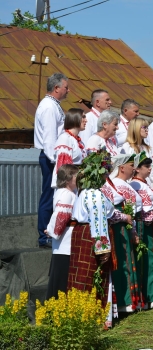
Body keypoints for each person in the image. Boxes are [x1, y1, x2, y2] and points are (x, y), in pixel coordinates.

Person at [68, 149, 131, 328]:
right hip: (92, 236)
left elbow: (109, 214)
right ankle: (94, 318)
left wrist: (123, 217)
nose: (107, 175)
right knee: (91, 276)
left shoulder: (85, 191)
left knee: (80, 275)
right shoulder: (95, 194)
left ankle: (78, 315)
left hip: (82, 235)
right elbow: (99, 220)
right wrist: (103, 248)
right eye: (106, 171)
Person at [103, 153, 143, 313]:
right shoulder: (108, 185)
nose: (134, 168)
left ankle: (127, 302)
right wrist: (125, 217)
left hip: (122, 225)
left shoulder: (110, 183)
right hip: (116, 227)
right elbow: (109, 211)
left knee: (125, 261)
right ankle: (122, 302)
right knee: (120, 262)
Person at [34, 72, 69, 248]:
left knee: (53, 195)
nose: (68, 91)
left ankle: (50, 231)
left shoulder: (53, 105)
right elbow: (49, 139)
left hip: (54, 158)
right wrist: (57, 161)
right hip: (51, 158)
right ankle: (44, 235)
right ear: (56, 88)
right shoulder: (48, 107)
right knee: (49, 196)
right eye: (65, 87)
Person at [129, 152, 153, 308]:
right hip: (143, 225)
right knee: (145, 259)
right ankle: (146, 297)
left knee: (150, 258)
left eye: (150, 166)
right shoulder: (136, 184)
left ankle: (151, 295)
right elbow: (141, 209)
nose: (149, 169)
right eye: (146, 166)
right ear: (137, 169)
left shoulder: (144, 183)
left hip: (150, 224)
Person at [45, 164, 78, 300]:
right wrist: (53, 231)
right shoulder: (66, 194)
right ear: (68, 178)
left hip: (64, 240)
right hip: (65, 240)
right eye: (76, 177)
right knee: (62, 275)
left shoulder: (65, 193)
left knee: (61, 274)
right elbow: (61, 215)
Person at [51, 108, 87, 188]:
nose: (86, 120)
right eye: (83, 117)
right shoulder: (65, 139)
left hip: (77, 183)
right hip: (68, 185)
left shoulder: (79, 141)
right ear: (75, 118)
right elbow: (63, 167)